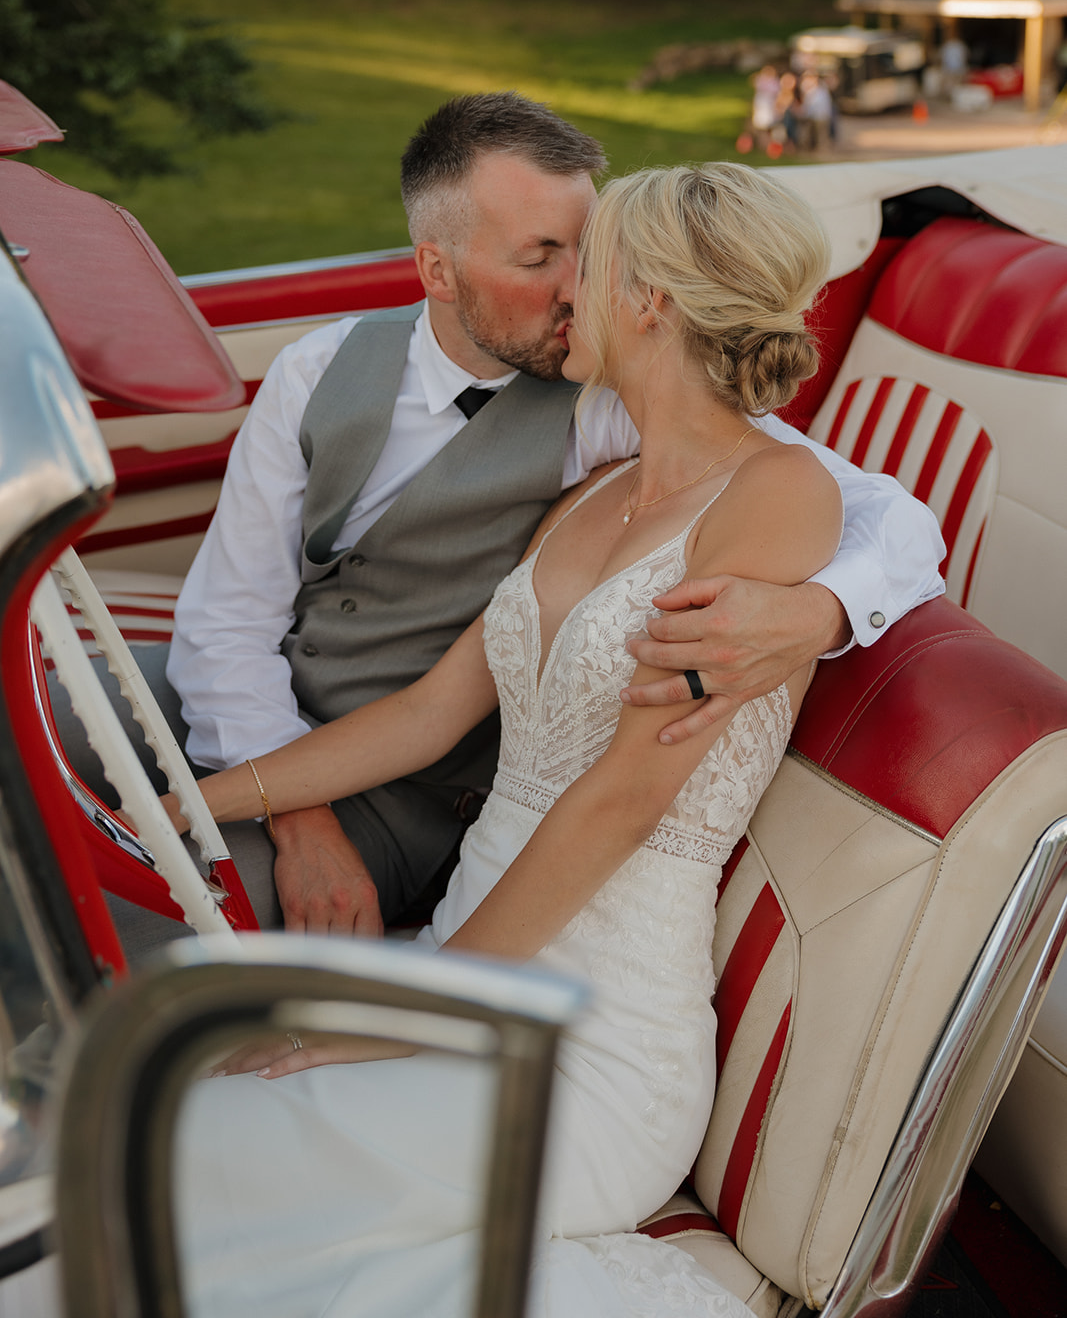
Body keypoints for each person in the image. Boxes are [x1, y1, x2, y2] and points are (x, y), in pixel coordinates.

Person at [172, 161, 844, 1318]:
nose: (560, 293)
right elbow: (430, 714)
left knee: (190, 1151)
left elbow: (620, 801)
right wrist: (186, 808)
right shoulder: (590, 494)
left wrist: (400, 1012)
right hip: (466, 951)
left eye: (582, 263)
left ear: (648, 299)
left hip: (586, 1045)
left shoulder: (775, 498)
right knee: (174, 1110)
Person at [93, 93, 943, 951]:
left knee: (124, 900)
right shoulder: (317, 370)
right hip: (268, 710)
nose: (576, 285)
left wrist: (821, 610)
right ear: (438, 270)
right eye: (540, 256)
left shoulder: (617, 408)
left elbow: (885, 512)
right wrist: (290, 814)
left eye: (590, 248)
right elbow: (231, 621)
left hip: (413, 788)